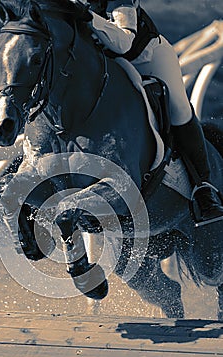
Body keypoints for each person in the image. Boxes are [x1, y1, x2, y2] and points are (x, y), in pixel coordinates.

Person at [74, 0, 223, 225]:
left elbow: (123, 43)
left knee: (179, 109)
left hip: (146, 58)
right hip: (105, 70)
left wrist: (88, 17)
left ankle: (203, 188)